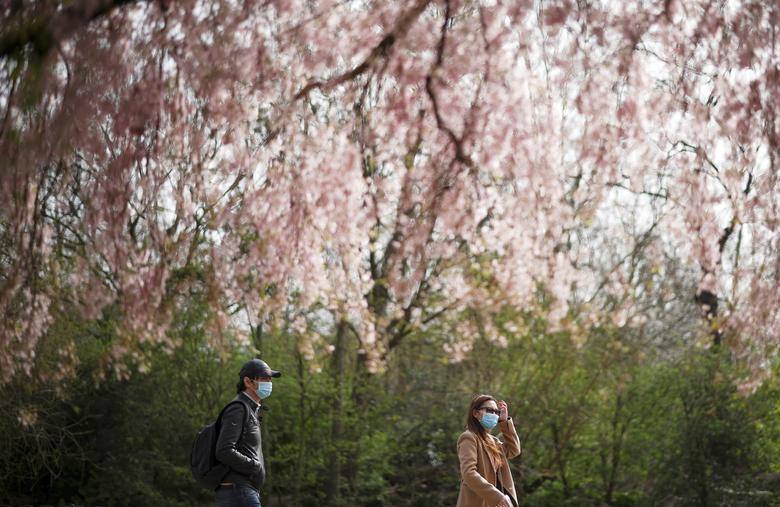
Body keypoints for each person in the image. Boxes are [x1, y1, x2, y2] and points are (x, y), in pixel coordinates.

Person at [214, 358, 281, 507]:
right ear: (248, 381)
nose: (269, 382)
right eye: (264, 378)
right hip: (239, 492)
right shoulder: (238, 408)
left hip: (242, 492)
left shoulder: (251, 409)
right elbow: (224, 450)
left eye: (270, 379)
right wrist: (254, 466)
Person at [456, 394, 521, 507]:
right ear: (475, 413)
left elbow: (514, 450)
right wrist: (497, 496)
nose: (494, 414)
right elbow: (468, 473)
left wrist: (504, 422)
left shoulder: (494, 442)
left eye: (497, 412)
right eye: (489, 410)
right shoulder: (468, 437)